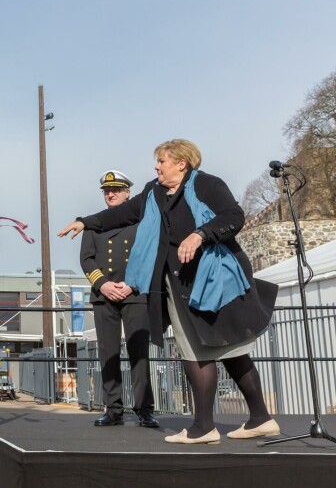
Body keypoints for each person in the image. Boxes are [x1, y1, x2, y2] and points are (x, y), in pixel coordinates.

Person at [59, 139, 279, 445]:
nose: (156, 167)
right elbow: (124, 213)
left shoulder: (207, 185)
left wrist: (201, 234)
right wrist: (86, 222)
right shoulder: (154, 192)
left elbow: (233, 217)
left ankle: (205, 427)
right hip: (181, 284)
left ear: (181, 163)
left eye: (161, 161)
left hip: (211, 282)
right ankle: (261, 419)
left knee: (203, 353)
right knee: (228, 351)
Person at [81, 170, 157, 428]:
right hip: (105, 296)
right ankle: (113, 409)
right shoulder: (95, 222)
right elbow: (87, 259)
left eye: (116, 190)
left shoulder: (140, 219)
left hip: (134, 293)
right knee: (108, 353)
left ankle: (144, 409)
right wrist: (103, 285)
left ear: (128, 193)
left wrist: (131, 283)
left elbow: (149, 253)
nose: (110, 194)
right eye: (106, 191)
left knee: (139, 353)